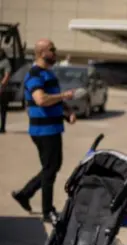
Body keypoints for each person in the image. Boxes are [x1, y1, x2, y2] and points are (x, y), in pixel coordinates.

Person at [11, 39, 77, 223]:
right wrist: (64, 95)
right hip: (43, 130)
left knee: (52, 167)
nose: (55, 53)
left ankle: (24, 194)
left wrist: (67, 111)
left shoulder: (48, 74)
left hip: (53, 128)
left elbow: (53, 99)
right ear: (41, 53)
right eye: (52, 50)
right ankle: (48, 211)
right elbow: (41, 100)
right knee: (50, 169)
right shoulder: (34, 74)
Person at [0, 48, 11, 133]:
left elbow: (7, 75)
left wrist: (2, 86)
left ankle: (2, 127)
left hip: (2, 89)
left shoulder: (5, 62)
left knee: (2, 109)